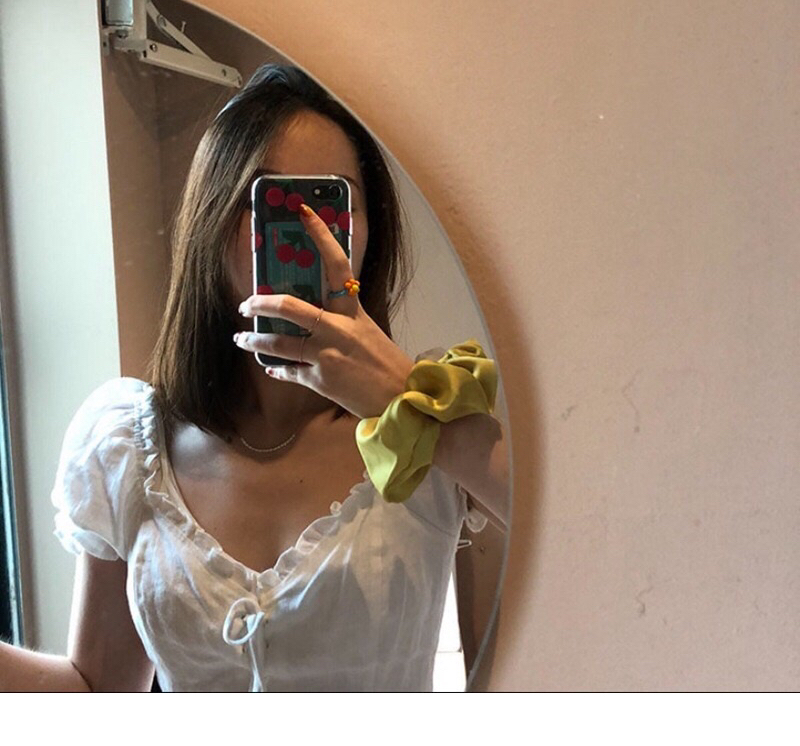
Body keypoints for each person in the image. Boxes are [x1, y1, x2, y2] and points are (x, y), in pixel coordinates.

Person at [0, 64, 508, 692]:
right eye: (273, 202)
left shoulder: (439, 415)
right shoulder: (128, 449)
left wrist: (406, 400)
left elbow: (581, 533)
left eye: (330, 201)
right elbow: (97, 690)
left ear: (369, 230)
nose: (306, 230)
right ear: (211, 220)